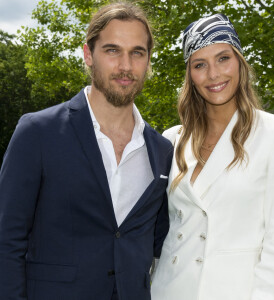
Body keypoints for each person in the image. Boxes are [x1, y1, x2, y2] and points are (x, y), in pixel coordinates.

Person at [0, 2, 173, 300]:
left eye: (137, 52)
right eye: (112, 50)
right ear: (88, 55)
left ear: (148, 60)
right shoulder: (37, 132)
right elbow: (6, 241)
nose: (125, 66)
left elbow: (157, 242)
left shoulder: (162, 150)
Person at [151, 13, 274, 300]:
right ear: (190, 75)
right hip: (167, 290)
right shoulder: (172, 139)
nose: (214, 74)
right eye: (200, 65)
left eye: (223, 58)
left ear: (240, 63)